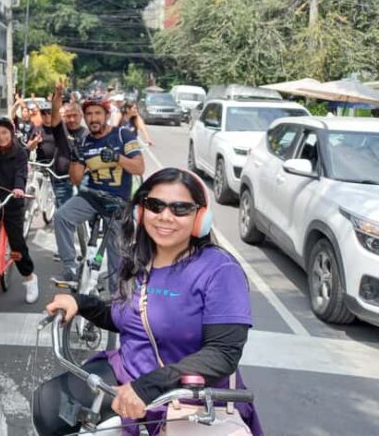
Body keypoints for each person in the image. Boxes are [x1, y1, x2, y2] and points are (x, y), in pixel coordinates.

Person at [33, 168, 263, 436]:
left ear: (200, 217)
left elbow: (223, 353)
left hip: (184, 397)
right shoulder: (138, 259)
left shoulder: (220, 271)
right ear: (140, 212)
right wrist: (79, 303)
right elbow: (126, 317)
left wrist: (146, 387)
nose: (165, 216)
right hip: (127, 374)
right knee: (48, 409)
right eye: (155, 205)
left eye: (180, 209)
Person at [52, 97, 145, 289]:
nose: (93, 118)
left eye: (97, 113)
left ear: (107, 115)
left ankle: (116, 298)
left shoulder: (123, 135)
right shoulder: (84, 142)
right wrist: (75, 159)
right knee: (62, 216)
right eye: (89, 114)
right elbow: (75, 179)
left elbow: (139, 167)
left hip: (117, 201)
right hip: (92, 197)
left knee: (117, 259)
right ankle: (71, 268)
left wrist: (117, 157)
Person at [0, 117, 39, 303]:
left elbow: (21, 173)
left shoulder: (20, 152)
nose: (1, 137)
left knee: (17, 245)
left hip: (12, 201)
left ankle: (30, 278)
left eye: (4, 133)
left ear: (11, 133)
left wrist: (18, 188)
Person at [48, 83, 87, 209]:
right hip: (62, 180)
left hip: (83, 181)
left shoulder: (88, 134)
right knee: (63, 214)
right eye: (68, 116)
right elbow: (55, 113)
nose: (71, 119)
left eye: (75, 115)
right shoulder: (60, 129)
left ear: (81, 116)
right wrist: (58, 94)